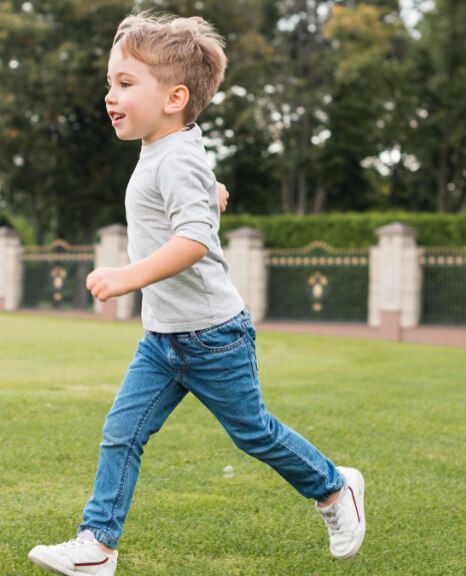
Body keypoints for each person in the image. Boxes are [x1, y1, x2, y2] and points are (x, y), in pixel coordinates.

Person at [28, 12, 365, 576]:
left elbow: (193, 242)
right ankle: (97, 545)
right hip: (162, 340)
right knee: (122, 432)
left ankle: (334, 488)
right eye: (110, 82)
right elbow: (189, 193)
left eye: (126, 84)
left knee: (253, 433)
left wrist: (126, 276)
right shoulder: (171, 146)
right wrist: (212, 192)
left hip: (212, 337)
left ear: (175, 96)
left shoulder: (176, 154)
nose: (110, 95)